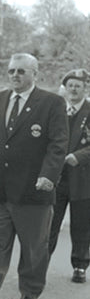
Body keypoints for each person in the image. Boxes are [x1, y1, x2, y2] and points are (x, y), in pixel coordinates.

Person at [0, 53, 68, 299]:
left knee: (33, 246)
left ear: (35, 73)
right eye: (11, 71)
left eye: (21, 71)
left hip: (34, 189)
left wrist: (48, 175)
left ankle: (30, 290)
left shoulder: (51, 103)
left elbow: (58, 144)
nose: (15, 76)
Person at [48, 69, 90, 283]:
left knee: (82, 224)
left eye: (78, 85)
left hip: (83, 178)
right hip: (57, 177)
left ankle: (80, 265)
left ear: (85, 88)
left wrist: (80, 156)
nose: (74, 89)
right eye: (70, 85)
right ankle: (40, 263)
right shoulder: (57, 108)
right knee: (50, 222)